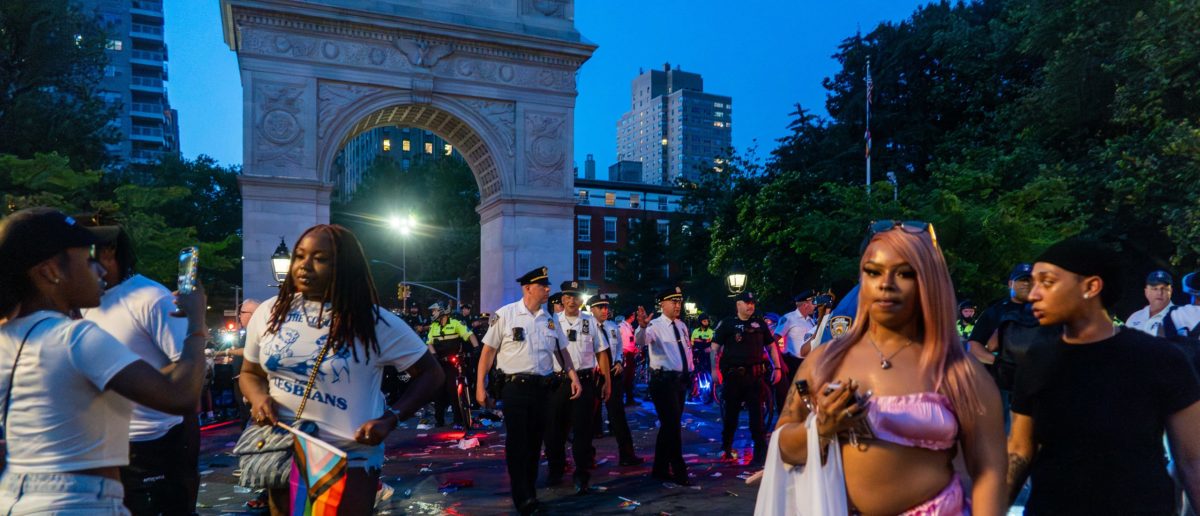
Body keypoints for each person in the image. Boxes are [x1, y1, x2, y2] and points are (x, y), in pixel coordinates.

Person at [774, 220, 1006, 515]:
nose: (886, 283)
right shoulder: (824, 361)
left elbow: (989, 473)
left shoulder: (960, 370)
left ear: (929, 281)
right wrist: (821, 429)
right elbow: (783, 447)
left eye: (905, 273)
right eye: (873, 271)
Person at [0, 207, 209, 514]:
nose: (99, 270)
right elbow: (182, 395)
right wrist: (196, 323)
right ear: (49, 272)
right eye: (87, 261)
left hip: (16, 497)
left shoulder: (9, 336)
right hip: (78, 503)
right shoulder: (75, 338)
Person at [239, 224, 443, 515]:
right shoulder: (270, 312)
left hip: (348, 459)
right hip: (285, 452)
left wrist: (391, 419)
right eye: (299, 256)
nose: (304, 266)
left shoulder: (377, 323)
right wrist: (259, 399)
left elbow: (432, 374)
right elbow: (250, 374)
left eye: (319, 258)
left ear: (343, 267)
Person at [1006, 238, 1200, 514]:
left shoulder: (1160, 359)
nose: (1033, 293)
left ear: (1091, 287)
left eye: (1047, 282)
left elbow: (1192, 460)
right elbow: (1019, 451)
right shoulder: (1037, 361)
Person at [76, 220, 201, 515]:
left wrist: (134, 384)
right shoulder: (85, 301)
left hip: (155, 442)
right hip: (105, 443)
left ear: (107, 253)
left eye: (78, 253)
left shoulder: (150, 297)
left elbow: (188, 370)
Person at [475, 267, 582, 515]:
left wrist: (573, 376)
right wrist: (480, 386)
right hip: (515, 388)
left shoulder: (549, 319)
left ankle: (530, 493)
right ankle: (522, 497)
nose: (548, 289)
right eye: (543, 285)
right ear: (527, 288)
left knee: (535, 444)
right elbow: (488, 352)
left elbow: (561, 351)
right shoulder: (506, 315)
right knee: (519, 443)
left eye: (548, 285)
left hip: (543, 389)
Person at [544, 280, 610, 493]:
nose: (572, 301)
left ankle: (582, 474)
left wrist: (607, 381)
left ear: (581, 300)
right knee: (555, 431)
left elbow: (601, 352)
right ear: (562, 299)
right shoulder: (551, 322)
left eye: (576, 297)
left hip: (585, 381)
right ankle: (555, 470)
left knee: (583, 431)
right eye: (568, 297)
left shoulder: (590, 322)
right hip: (558, 383)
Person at [712, 292, 783, 466]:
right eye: (747, 303)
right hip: (733, 376)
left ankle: (760, 453)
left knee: (757, 416)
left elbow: (771, 347)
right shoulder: (727, 324)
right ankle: (726, 447)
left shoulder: (759, 324)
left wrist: (777, 367)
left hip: (755, 376)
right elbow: (715, 349)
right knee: (731, 415)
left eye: (752, 303)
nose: (751, 306)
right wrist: (715, 370)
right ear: (738, 304)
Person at [635, 286, 694, 485]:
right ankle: (679, 470)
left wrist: (690, 375)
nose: (678, 305)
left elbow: (685, 353)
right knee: (673, 426)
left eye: (680, 301)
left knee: (669, 427)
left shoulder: (682, 325)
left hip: (679, 382)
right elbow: (641, 341)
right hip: (663, 382)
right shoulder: (655, 325)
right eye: (673, 301)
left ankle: (659, 468)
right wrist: (642, 326)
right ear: (662, 304)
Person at [589, 293, 643, 465]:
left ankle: (627, 454)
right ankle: (587, 456)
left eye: (606, 307)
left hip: (613, 373)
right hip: (594, 374)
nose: (605, 310)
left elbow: (619, 348)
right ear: (592, 310)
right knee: (588, 416)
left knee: (618, 415)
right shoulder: (587, 327)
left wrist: (619, 362)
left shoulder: (613, 327)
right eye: (600, 307)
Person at [426, 302, 480, 428]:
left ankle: (458, 419)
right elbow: (429, 342)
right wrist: (433, 355)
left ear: (442, 311)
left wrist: (476, 348)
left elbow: (470, 334)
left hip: (453, 362)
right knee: (438, 391)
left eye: (434, 310)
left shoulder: (455, 323)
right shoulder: (433, 326)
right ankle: (439, 421)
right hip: (439, 362)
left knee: (452, 389)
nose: (432, 313)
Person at [774, 291, 816, 413]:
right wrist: (780, 362)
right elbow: (775, 340)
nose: (815, 306)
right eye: (813, 302)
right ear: (805, 304)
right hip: (792, 362)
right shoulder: (789, 318)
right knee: (790, 395)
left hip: (807, 362)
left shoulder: (810, 320)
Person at [689, 314, 715, 402]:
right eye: (704, 321)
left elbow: (713, 343)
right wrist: (694, 348)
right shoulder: (695, 331)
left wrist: (708, 348)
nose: (706, 322)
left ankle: (711, 394)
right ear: (700, 322)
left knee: (709, 373)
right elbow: (692, 342)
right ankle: (692, 392)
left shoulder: (711, 332)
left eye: (707, 321)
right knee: (693, 373)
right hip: (697, 354)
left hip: (707, 355)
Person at [619, 308, 639, 405]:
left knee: (630, 378)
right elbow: (618, 342)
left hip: (631, 355)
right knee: (624, 378)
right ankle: (621, 400)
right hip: (625, 355)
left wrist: (634, 349)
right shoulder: (621, 327)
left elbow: (631, 341)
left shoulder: (630, 327)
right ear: (631, 316)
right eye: (634, 315)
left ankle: (630, 399)